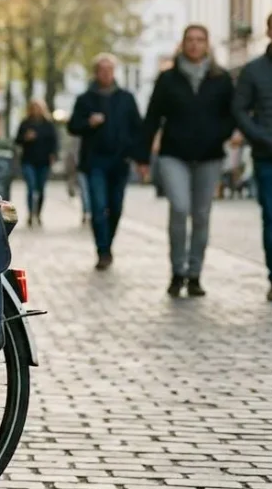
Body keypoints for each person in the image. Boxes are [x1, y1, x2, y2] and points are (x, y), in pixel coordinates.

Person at [136, 24, 236, 298]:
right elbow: (152, 117)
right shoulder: (168, 79)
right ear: (182, 44)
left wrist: (220, 134)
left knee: (201, 215)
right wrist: (142, 156)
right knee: (180, 208)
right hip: (174, 154)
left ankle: (194, 274)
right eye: (189, 40)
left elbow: (232, 114)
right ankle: (177, 270)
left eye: (200, 40)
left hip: (209, 155)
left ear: (207, 44)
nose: (194, 44)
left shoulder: (221, 79)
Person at [68, 53, 146, 270]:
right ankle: (102, 250)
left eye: (109, 70)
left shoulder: (126, 98)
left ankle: (108, 243)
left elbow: (137, 128)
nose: (106, 74)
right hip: (95, 161)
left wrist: (138, 155)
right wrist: (88, 123)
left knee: (116, 207)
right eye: (102, 70)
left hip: (120, 161)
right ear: (95, 73)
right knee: (98, 207)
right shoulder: (85, 99)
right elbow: (73, 126)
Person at [231, 9, 272, 302]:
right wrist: (259, 136)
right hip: (268, 157)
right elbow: (239, 109)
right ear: (268, 32)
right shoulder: (253, 71)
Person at [14, 99, 58, 226]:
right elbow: (17, 140)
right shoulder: (25, 124)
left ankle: (38, 213)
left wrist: (53, 154)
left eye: (38, 108)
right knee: (31, 187)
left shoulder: (48, 124)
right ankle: (30, 213)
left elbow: (54, 141)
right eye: (33, 108)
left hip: (43, 161)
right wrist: (25, 138)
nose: (36, 110)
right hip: (28, 160)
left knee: (41, 189)